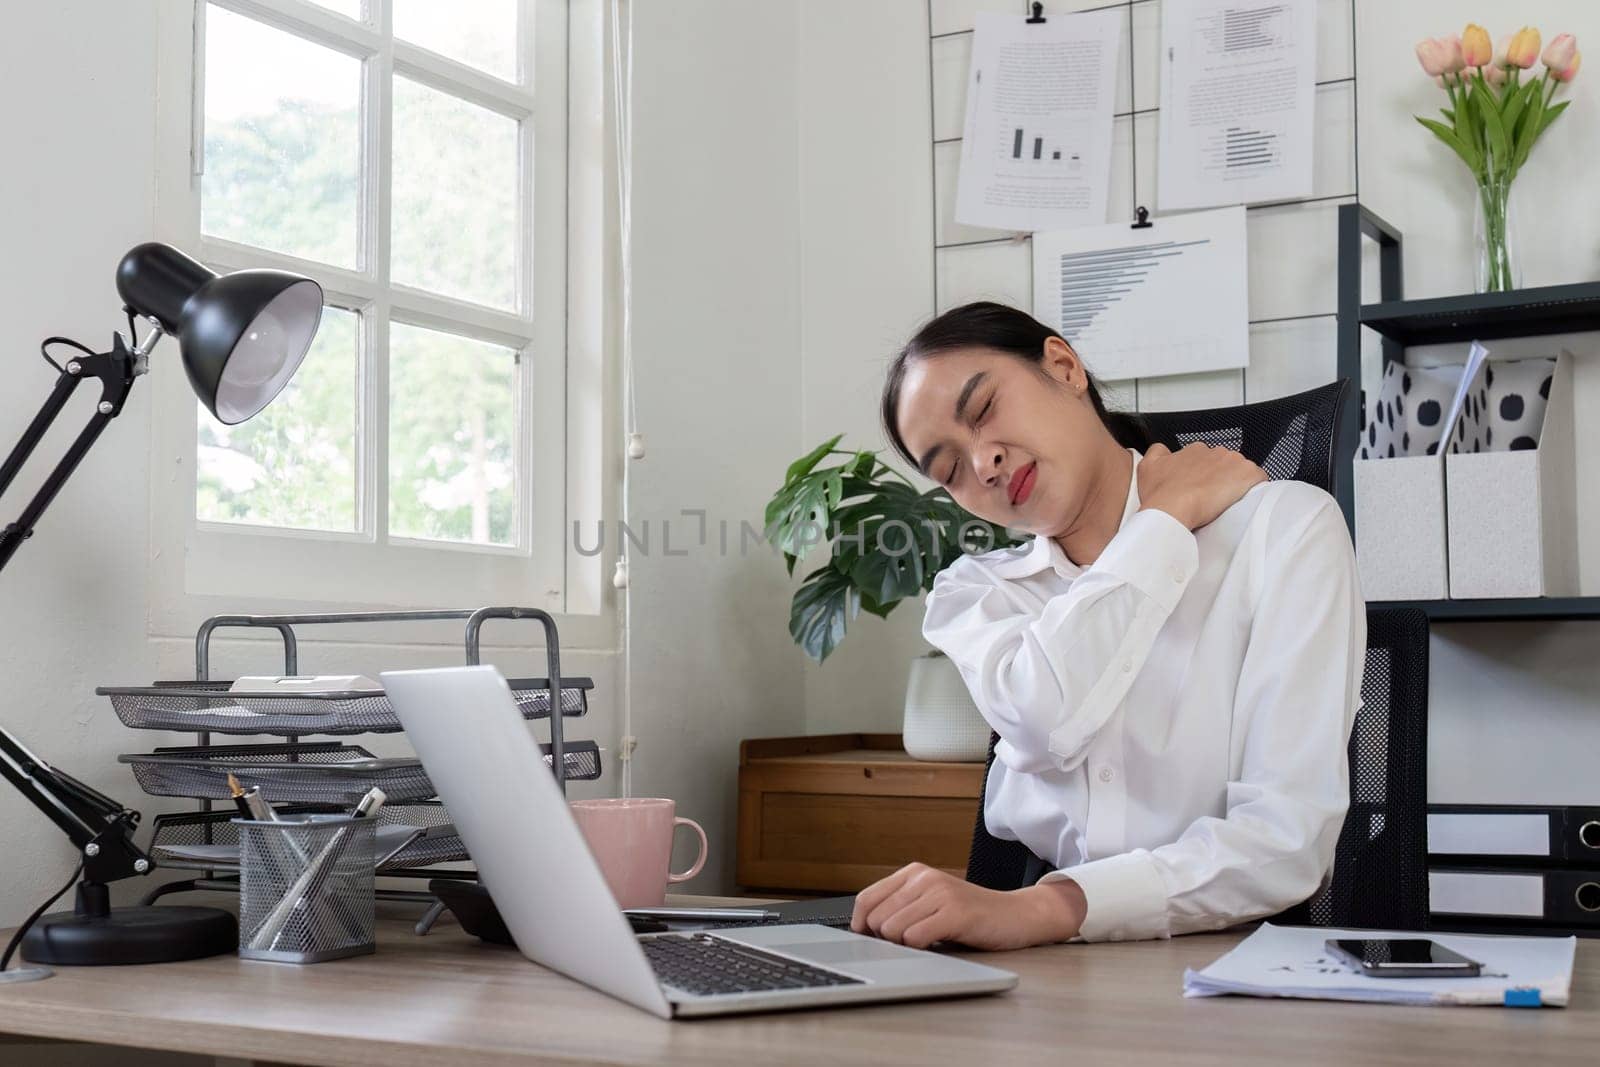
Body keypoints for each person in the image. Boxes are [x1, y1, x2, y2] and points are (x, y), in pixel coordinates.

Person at [852, 301, 1364, 950]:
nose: (983, 464)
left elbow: (1285, 840)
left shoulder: (1285, 531)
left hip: (1236, 967)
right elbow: (1046, 719)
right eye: (950, 469)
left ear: (1064, 366)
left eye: (983, 411)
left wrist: (1052, 908)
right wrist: (1165, 518)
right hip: (1043, 970)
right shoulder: (975, 593)